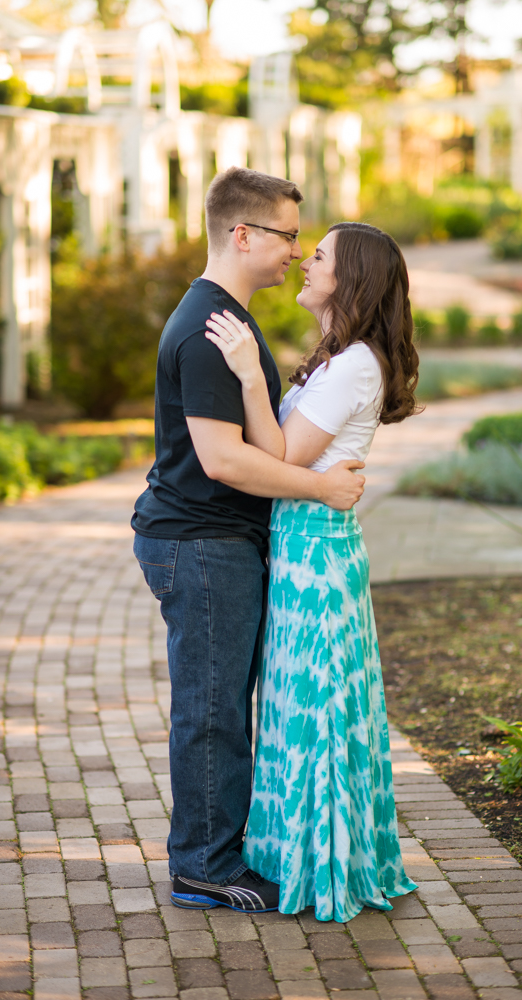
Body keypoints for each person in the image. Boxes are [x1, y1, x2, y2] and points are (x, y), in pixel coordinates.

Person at [131, 168, 365, 914]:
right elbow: (222, 458)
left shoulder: (227, 317)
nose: (297, 252)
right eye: (289, 236)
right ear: (243, 234)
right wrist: (323, 489)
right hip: (200, 543)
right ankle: (202, 866)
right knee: (212, 709)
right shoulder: (210, 329)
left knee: (224, 701)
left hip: (216, 541)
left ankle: (216, 851)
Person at [201, 221, 420, 922]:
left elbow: (285, 457)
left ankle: (314, 867)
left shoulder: (355, 362)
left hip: (317, 551)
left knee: (317, 709)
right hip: (304, 545)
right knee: (303, 707)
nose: (303, 261)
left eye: (317, 255)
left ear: (348, 278)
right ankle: (299, 855)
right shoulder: (339, 357)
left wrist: (243, 376)